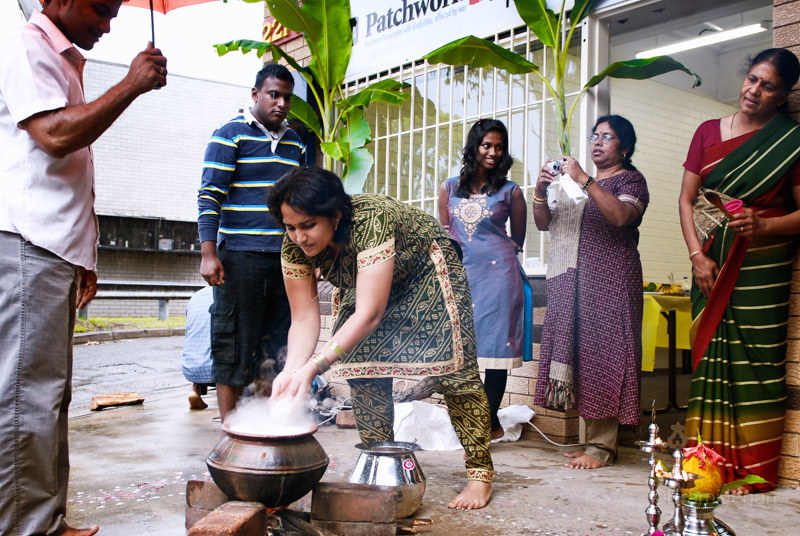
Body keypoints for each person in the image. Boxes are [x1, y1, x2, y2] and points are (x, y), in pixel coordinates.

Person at [0, 1, 167, 534]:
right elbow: (55, 136)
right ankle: (29, 529)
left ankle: (46, 519)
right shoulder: (27, 46)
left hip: (52, 250)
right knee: (29, 398)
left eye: (115, 12)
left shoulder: (64, 61)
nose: (108, 24)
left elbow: (70, 171)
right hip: (28, 244)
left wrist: (84, 254)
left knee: (48, 396)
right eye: (100, 9)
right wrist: (131, 85)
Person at [267, 167, 494, 510]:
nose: (299, 236)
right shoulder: (295, 246)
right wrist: (291, 370)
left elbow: (369, 314)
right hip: (368, 285)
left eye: (308, 225)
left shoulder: (371, 218)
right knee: (362, 367)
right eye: (290, 227)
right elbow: (303, 318)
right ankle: (381, 464)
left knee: (455, 370)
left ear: (335, 214)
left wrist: (315, 367)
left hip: (426, 274)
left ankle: (480, 474)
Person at [678, 48, 800, 494]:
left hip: (763, 268)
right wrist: (696, 256)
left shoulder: (791, 142)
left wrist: (765, 224)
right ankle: (705, 463)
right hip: (710, 263)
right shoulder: (708, 132)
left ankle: (752, 469)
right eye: (752, 79)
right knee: (712, 359)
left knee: (755, 364)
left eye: (768, 86)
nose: (755, 90)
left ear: (784, 94)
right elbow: (687, 200)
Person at [532, 115, 648, 470]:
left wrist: (585, 179)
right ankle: (589, 441)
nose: (597, 142)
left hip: (609, 279)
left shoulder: (631, 180)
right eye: (595, 136)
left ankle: (602, 447)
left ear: (624, 148)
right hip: (569, 278)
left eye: (607, 137)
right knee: (579, 354)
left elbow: (622, 217)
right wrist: (540, 190)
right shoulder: (572, 182)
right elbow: (543, 223)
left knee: (603, 355)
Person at [197, 63, 305, 424]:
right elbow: (210, 195)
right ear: (256, 94)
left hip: (286, 261)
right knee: (234, 344)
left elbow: (302, 202)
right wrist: (209, 253)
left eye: (287, 97)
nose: (281, 103)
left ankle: (266, 425)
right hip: (239, 257)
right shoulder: (229, 135)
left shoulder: (296, 143)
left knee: (276, 346)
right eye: (274, 95)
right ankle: (230, 431)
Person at [438, 118, 530, 440]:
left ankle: (485, 425)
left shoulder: (511, 191)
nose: (492, 152)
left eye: (499, 147)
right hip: (463, 277)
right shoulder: (449, 188)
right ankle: (475, 419)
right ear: (474, 147)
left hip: (499, 277)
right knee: (461, 353)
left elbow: (517, 239)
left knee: (495, 354)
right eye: (486, 145)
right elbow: (447, 237)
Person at [182, 286, 215, 410]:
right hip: (222, 372)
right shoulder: (235, 293)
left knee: (202, 344)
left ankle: (194, 390)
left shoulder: (197, 295)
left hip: (191, 369)